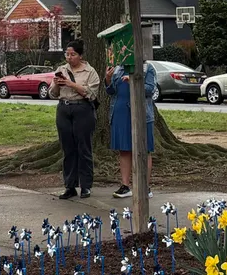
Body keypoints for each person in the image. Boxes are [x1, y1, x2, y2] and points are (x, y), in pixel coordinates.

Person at [49, 40, 101, 199]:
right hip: (64, 108)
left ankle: (86, 185)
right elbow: (53, 93)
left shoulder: (89, 71)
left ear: (80, 55)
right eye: (67, 54)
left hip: (82, 109)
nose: (69, 57)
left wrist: (71, 84)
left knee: (83, 147)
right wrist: (58, 84)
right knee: (68, 148)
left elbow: (91, 93)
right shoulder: (61, 70)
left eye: (73, 54)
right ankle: (70, 185)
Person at [105, 60, 156, 198]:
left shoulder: (147, 68)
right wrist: (108, 79)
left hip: (141, 114)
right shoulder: (118, 68)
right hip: (120, 113)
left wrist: (134, 81)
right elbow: (111, 91)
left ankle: (144, 186)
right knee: (124, 149)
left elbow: (150, 90)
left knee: (144, 149)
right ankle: (125, 186)